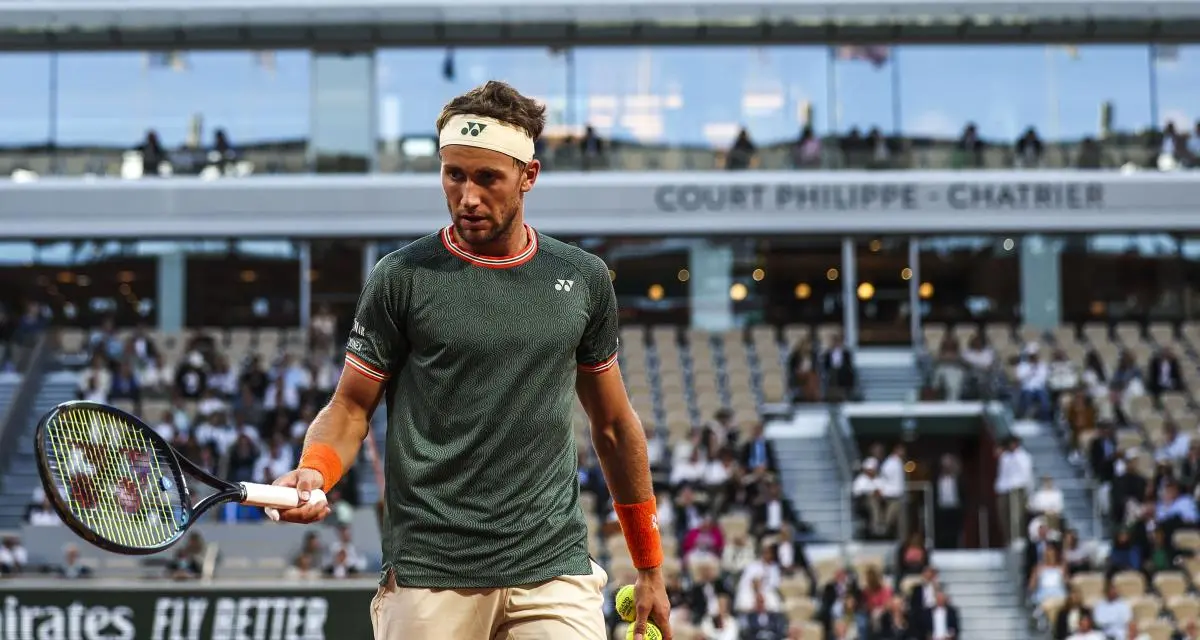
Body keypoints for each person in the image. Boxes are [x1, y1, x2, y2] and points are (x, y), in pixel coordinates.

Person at [269, 80, 671, 640]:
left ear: (528, 177)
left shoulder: (582, 279)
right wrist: (318, 468)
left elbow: (613, 425)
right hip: (429, 576)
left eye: (488, 178)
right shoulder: (400, 278)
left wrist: (649, 566)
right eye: (453, 174)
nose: (467, 196)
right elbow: (352, 406)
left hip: (551, 570)